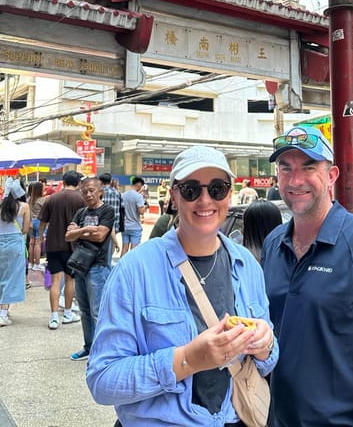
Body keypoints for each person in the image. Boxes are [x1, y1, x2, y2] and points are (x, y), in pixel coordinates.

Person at [87, 145, 278, 426]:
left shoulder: (246, 264)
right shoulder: (135, 269)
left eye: (217, 188)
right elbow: (103, 380)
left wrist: (265, 344)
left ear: (229, 193)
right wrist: (188, 359)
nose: (204, 200)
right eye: (191, 189)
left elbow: (269, 359)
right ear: (174, 196)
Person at [262, 125, 353, 427]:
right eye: (285, 168)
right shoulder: (273, 243)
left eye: (308, 167)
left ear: (332, 176)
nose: (295, 180)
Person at [65, 176, 115, 362]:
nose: (88, 194)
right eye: (84, 191)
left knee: (98, 311)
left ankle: (103, 351)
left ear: (100, 191)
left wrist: (79, 231)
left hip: (98, 268)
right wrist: (86, 231)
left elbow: (101, 235)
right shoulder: (80, 212)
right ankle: (89, 346)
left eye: (92, 190)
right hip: (80, 267)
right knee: (84, 310)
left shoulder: (107, 211)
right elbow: (68, 236)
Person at [39, 170, 84, 330]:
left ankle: (53, 317)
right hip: (73, 246)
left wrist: (39, 239)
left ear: (63, 182)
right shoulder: (81, 199)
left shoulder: (52, 199)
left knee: (55, 281)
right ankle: (67, 313)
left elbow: (43, 222)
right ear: (78, 183)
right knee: (70, 280)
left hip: (53, 245)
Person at [0, 178, 30, 326]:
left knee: (1, 276)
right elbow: (25, 229)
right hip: (14, 244)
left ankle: (2, 308)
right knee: (11, 277)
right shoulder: (24, 206)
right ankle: (3, 312)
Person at [98, 172, 122, 261]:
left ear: (100, 181)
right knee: (110, 249)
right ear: (110, 181)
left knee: (100, 249)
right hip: (114, 225)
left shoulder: (99, 193)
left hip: (101, 225)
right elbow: (121, 208)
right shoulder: (117, 193)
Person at [120, 176, 146, 256]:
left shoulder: (123, 195)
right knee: (134, 251)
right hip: (135, 227)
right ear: (138, 185)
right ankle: (130, 268)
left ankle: (121, 267)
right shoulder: (138, 196)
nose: (141, 188)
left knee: (124, 248)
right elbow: (141, 211)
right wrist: (145, 207)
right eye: (141, 186)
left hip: (125, 226)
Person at [27, 181, 48, 271]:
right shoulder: (43, 200)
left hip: (31, 222)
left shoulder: (29, 200)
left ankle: (31, 263)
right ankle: (37, 264)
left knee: (32, 243)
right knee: (38, 243)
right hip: (39, 222)